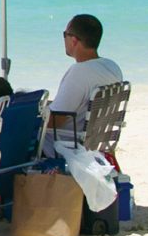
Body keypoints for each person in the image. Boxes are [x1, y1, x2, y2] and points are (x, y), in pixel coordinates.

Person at [49, 14, 123, 145]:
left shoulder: (79, 72)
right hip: (94, 142)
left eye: (65, 34)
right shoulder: (112, 67)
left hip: (65, 144)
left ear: (74, 40)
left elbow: (54, 121)